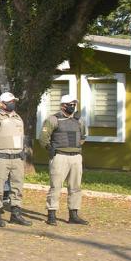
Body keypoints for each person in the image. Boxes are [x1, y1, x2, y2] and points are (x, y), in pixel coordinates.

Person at [0, 92, 32, 227]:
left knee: (17, 187)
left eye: (13, 101)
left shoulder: (18, 118)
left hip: (17, 158)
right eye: (9, 101)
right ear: (1, 104)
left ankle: (16, 214)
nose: (12, 103)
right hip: (1, 158)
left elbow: (21, 137)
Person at [39, 94, 89, 226]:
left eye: (74, 104)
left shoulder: (79, 121)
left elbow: (83, 136)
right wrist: (51, 149)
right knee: (56, 186)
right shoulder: (53, 119)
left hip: (76, 157)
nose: (72, 106)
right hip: (59, 156)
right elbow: (43, 138)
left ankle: (74, 215)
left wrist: (75, 147)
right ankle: (51, 214)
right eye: (69, 104)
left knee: (75, 187)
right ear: (62, 106)